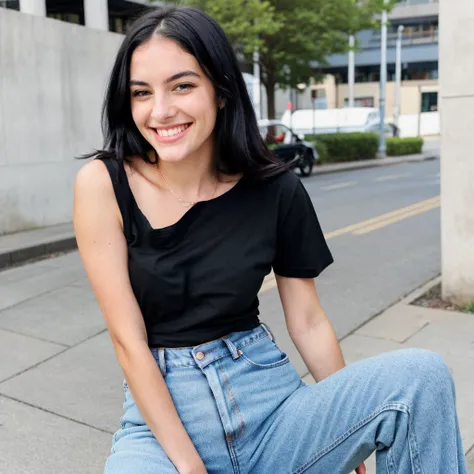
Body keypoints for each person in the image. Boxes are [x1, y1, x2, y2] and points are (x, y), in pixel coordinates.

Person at [73, 6, 467, 474]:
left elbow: (307, 321)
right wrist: (190, 466)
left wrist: (348, 425)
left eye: (182, 85)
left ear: (220, 91)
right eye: (142, 92)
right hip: (162, 425)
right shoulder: (103, 184)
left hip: (270, 405)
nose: (160, 110)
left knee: (421, 376)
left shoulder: (275, 189)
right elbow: (127, 341)